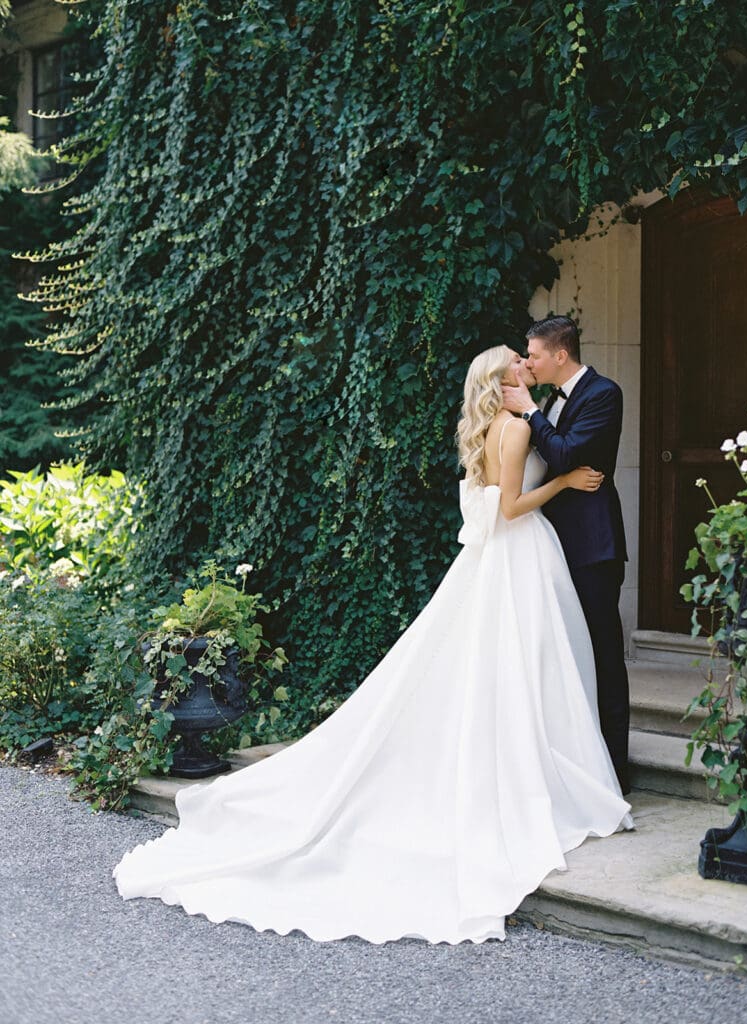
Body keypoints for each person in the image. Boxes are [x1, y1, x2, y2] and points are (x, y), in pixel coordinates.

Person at [113, 345, 633, 946]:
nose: (526, 364)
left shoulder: (500, 424)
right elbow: (511, 508)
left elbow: (487, 502)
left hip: (512, 559)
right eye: (518, 361)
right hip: (520, 553)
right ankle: (536, 772)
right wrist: (564, 479)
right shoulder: (514, 429)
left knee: (522, 667)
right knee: (524, 665)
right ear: (503, 378)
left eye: (528, 357)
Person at [501, 316, 630, 794]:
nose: (528, 361)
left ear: (560, 354)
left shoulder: (603, 393)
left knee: (602, 654)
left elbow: (564, 455)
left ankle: (615, 770)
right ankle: (574, 763)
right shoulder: (544, 401)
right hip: (546, 546)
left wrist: (532, 414)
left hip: (592, 546)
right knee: (563, 654)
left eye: (533, 354)